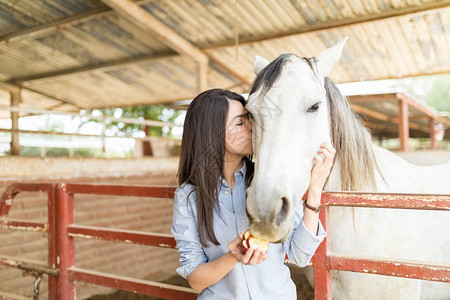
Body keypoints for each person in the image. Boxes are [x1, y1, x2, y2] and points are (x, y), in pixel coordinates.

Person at [171, 88, 335, 299]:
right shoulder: (188, 197)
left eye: (248, 119)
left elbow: (300, 255)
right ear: (211, 134)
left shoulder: (270, 180)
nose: (252, 127)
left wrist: (315, 187)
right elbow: (195, 281)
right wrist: (234, 256)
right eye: (240, 123)